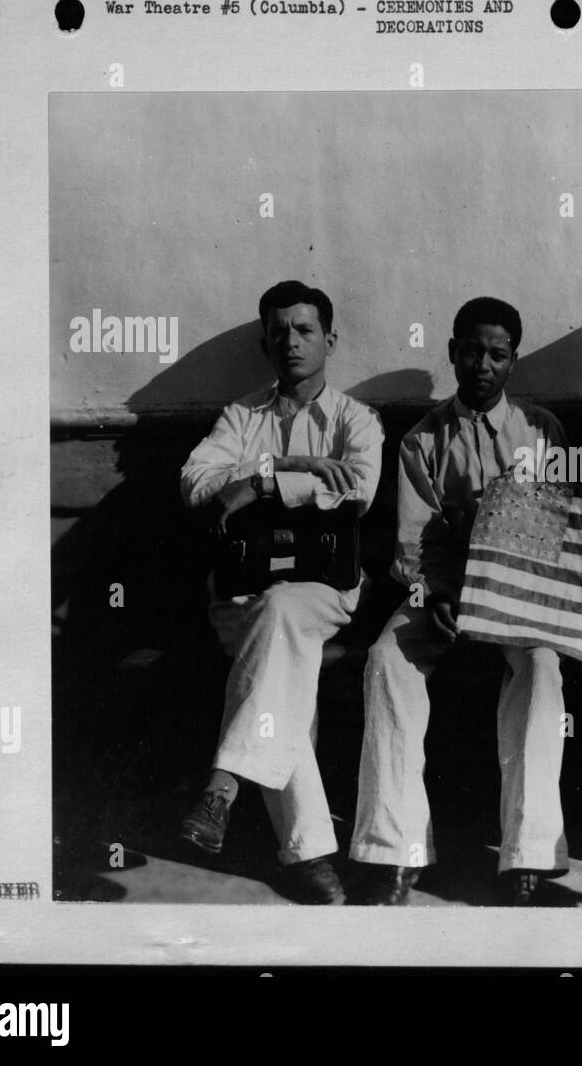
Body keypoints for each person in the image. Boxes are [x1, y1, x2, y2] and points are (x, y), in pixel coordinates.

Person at [349, 297, 570, 907]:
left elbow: (554, 533)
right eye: (471, 351)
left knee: (543, 668)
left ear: (513, 362)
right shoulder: (422, 441)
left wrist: (503, 584)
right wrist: (440, 594)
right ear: (452, 353)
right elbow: (413, 544)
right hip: (440, 594)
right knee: (385, 661)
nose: (482, 364)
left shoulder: (543, 432)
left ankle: (527, 854)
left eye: (498, 354)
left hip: (518, 597)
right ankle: (394, 849)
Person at [178, 280, 384, 905]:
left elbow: (357, 491)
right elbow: (196, 482)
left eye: (304, 329)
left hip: (325, 592)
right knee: (277, 639)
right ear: (265, 341)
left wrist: (261, 487)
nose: (290, 341)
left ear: (329, 339)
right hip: (241, 596)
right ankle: (312, 854)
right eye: (278, 331)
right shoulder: (242, 417)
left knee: (284, 615)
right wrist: (288, 471)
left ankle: (224, 786)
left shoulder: (356, 419)